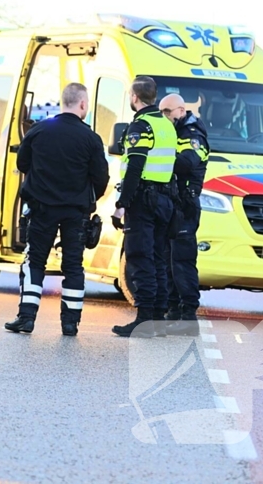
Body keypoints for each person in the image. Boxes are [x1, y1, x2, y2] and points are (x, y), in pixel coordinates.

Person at [5, 83, 109, 336]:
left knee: (35, 261)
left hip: (42, 208)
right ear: (82, 104)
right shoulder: (90, 138)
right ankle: (70, 323)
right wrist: (87, 198)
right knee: (73, 265)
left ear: (63, 101)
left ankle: (26, 317)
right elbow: (101, 177)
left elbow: (22, 163)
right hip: (76, 212)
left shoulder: (40, 130)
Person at [112, 76, 179, 338]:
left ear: (134, 97)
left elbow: (135, 167)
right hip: (164, 200)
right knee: (159, 259)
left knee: (140, 258)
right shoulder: (167, 125)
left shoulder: (142, 126)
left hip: (144, 201)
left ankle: (144, 320)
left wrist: (121, 204)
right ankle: (158, 320)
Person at [159, 93, 209, 336]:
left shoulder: (193, 135)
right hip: (173, 203)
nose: (165, 117)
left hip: (186, 206)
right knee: (169, 259)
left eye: (168, 112)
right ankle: (173, 311)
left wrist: (158, 154)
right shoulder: (177, 132)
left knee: (182, 261)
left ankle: (188, 315)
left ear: (181, 110)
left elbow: (186, 162)